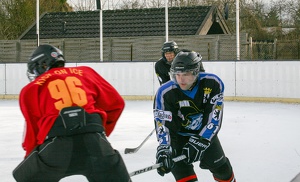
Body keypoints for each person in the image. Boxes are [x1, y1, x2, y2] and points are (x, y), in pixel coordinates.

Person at [12, 44, 131, 182]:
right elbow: (117, 104)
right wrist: (99, 132)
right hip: (95, 141)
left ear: (42, 65)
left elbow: (32, 132)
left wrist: (32, 162)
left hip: (56, 147)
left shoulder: (31, 88)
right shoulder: (86, 72)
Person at [153, 50, 236, 182]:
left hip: (204, 134)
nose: (180, 79)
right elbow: (163, 123)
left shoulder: (212, 83)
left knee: (223, 170)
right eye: (177, 75)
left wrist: (201, 141)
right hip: (178, 139)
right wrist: (164, 148)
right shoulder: (165, 92)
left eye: (185, 74)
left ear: (196, 72)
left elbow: (214, 119)